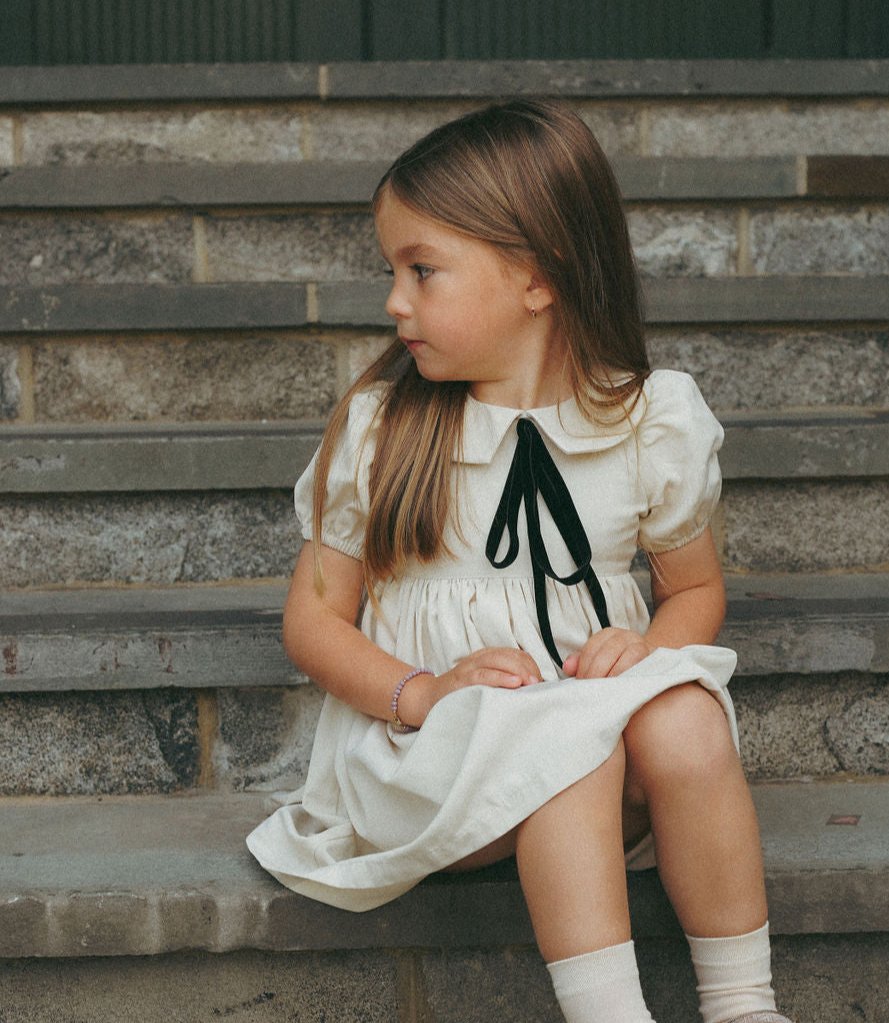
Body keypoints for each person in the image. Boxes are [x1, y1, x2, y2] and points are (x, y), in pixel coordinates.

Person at [247, 99, 793, 1023]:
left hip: (601, 748)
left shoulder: (645, 419)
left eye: (422, 270)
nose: (393, 301)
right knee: (562, 742)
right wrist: (423, 691)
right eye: (393, 271)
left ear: (537, 278)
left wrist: (651, 648)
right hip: (431, 758)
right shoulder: (384, 431)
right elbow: (312, 618)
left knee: (686, 719)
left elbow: (695, 588)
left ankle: (744, 1005)